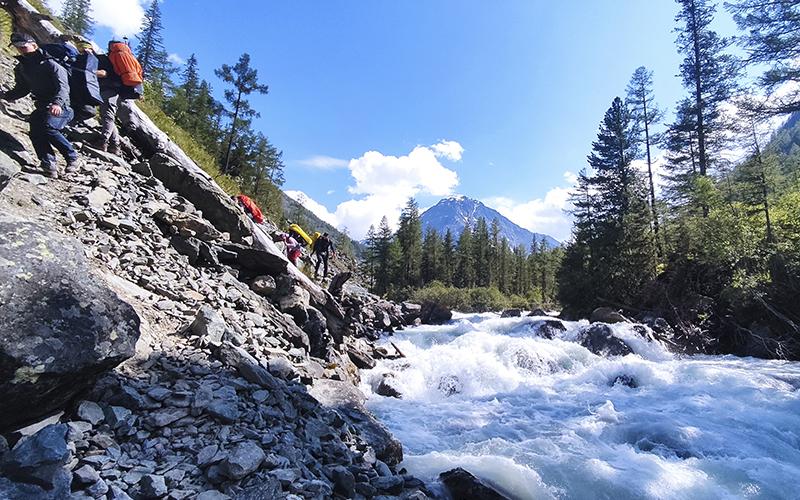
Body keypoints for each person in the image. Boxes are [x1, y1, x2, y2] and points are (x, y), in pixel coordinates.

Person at [0, 33, 80, 179]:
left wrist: (57, 103)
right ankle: (49, 165)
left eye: (23, 47)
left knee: (49, 128)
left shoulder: (51, 64)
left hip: (64, 106)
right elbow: (22, 89)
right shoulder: (22, 68)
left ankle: (72, 156)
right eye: (18, 48)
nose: (21, 50)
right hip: (42, 106)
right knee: (36, 130)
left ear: (34, 45)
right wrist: (5, 96)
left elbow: (63, 87)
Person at [94, 40, 124, 155]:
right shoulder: (116, 61)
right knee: (108, 116)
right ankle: (115, 145)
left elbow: (104, 73)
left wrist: (90, 72)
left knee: (107, 116)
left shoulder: (107, 59)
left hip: (108, 90)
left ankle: (103, 142)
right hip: (116, 90)